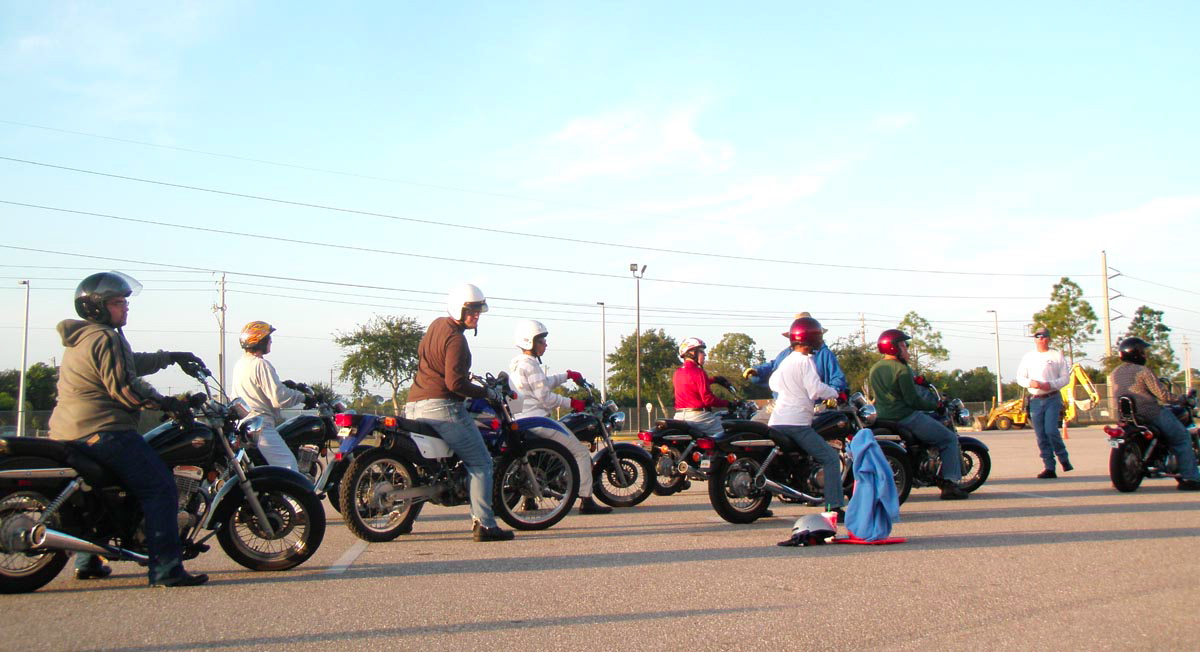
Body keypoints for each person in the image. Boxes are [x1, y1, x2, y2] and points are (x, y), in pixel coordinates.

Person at [48, 271, 209, 586]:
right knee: (160, 488)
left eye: (124, 302)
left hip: (71, 430)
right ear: (96, 307)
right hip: (103, 430)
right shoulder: (106, 337)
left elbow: (128, 362)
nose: (125, 307)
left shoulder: (87, 336)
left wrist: (169, 357)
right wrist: (167, 403)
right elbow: (126, 389)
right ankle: (166, 570)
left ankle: (88, 560)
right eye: (117, 302)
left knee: (104, 494)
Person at [407, 283, 514, 541]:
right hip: (442, 406)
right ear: (458, 308)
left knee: (427, 468)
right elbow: (455, 384)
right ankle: (484, 525)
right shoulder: (456, 339)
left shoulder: (436, 326)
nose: (476, 315)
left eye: (479, 310)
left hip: (414, 405)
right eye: (471, 310)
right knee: (481, 462)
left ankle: (404, 520)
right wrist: (486, 393)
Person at [507, 319, 612, 515]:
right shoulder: (530, 365)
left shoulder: (518, 364)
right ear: (529, 342)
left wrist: (567, 375)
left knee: (536, 458)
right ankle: (587, 499)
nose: (545, 344)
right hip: (538, 420)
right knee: (580, 452)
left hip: (521, 420)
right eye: (541, 341)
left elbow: (544, 382)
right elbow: (545, 397)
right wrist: (573, 403)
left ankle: (529, 499)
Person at [866, 328, 969, 500]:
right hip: (905, 416)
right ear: (893, 347)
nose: (906, 348)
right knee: (948, 439)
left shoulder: (875, 368)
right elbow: (913, 400)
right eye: (903, 345)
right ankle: (950, 484)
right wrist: (935, 405)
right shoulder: (902, 369)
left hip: (882, 416)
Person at [768, 317, 845, 519]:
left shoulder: (786, 361)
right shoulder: (806, 361)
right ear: (810, 337)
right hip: (796, 423)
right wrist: (835, 393)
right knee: (830, 458)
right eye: (818, 335)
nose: (821, 340)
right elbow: (815, 389)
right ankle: (834, 507)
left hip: (777, 421)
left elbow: (773, 384)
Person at [1109, 337, 1200, 490]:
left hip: (1126, 415)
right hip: (1150, 413)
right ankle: (1190, 477)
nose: (1145, 355)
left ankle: (1123, 474)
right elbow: (1163, 395)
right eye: (1143, 352)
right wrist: (1182, 399)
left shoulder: (1115, 372)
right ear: (1136, 353)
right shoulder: (1143, 371)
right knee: (1181, 438)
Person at [230, 321, 316, 473]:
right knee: (289, 467)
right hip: (260, 425)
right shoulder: (260, 364)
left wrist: (285, 385)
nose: (270, 341)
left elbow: (260, 388)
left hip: (244, 425)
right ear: (259, 341)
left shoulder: (240, 364)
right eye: (268, 338)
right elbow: (279, 398)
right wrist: (304, 397)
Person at [744, 312, 848, 423]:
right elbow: (772, 366)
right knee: (755, 425)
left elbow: (836, 380)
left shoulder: (824, 354)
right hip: (783, 406)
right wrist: (757, 371)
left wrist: (832, 395)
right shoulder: (787, 354)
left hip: (814, 407)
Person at [1015, 326, 1073, 478]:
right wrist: (1030, 383)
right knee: (1041, 435)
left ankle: (1063, 458)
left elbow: (1065, 378)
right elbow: (1020, 377)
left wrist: (1051, 384)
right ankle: (1049, 467)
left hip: (1052, 397)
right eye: (1037, 336)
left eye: (1043, 336)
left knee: (1051, 430)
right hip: (1036, 399)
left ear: (1048, 339)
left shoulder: (1056, 356)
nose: (1040, 339)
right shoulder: (1028, 357)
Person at [672, 337, 730, 436]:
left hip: (679, 416)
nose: (705, 354)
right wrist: (728, 403)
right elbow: (708, 400)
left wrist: (714, 380)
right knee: (727, 434)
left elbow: (691, 384)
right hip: (698, 417)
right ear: (692, 353)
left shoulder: (678, 372)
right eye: (701, 351)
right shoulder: (699, 372)